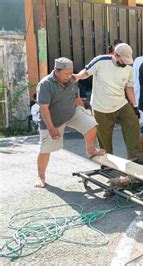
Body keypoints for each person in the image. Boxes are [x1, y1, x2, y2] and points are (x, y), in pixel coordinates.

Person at [36, 58, 104, 188]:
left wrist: (84, 113)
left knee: (91, 123)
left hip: (71, 112)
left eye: (71, 72)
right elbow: (43, 108)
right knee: (45, 149)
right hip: (52, 119)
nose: (69, 76)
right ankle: (41, 176)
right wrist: (50, 128)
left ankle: (90, 150)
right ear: (56, 72)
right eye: (66, 74)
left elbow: (76, 98)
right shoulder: (45, 84)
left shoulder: (72, 80)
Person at [74, 43, 143, 160]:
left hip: (121, 104)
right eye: (123, 60)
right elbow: (86, 72)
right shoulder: (101, 61)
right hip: (101, 107)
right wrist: (78, 76)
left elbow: (129, 88)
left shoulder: (129, 68)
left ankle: (136, 158)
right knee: (105, 140)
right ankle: (108, 162)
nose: (125, 63)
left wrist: (135, 106)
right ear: (116, 56)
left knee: (133, 123)